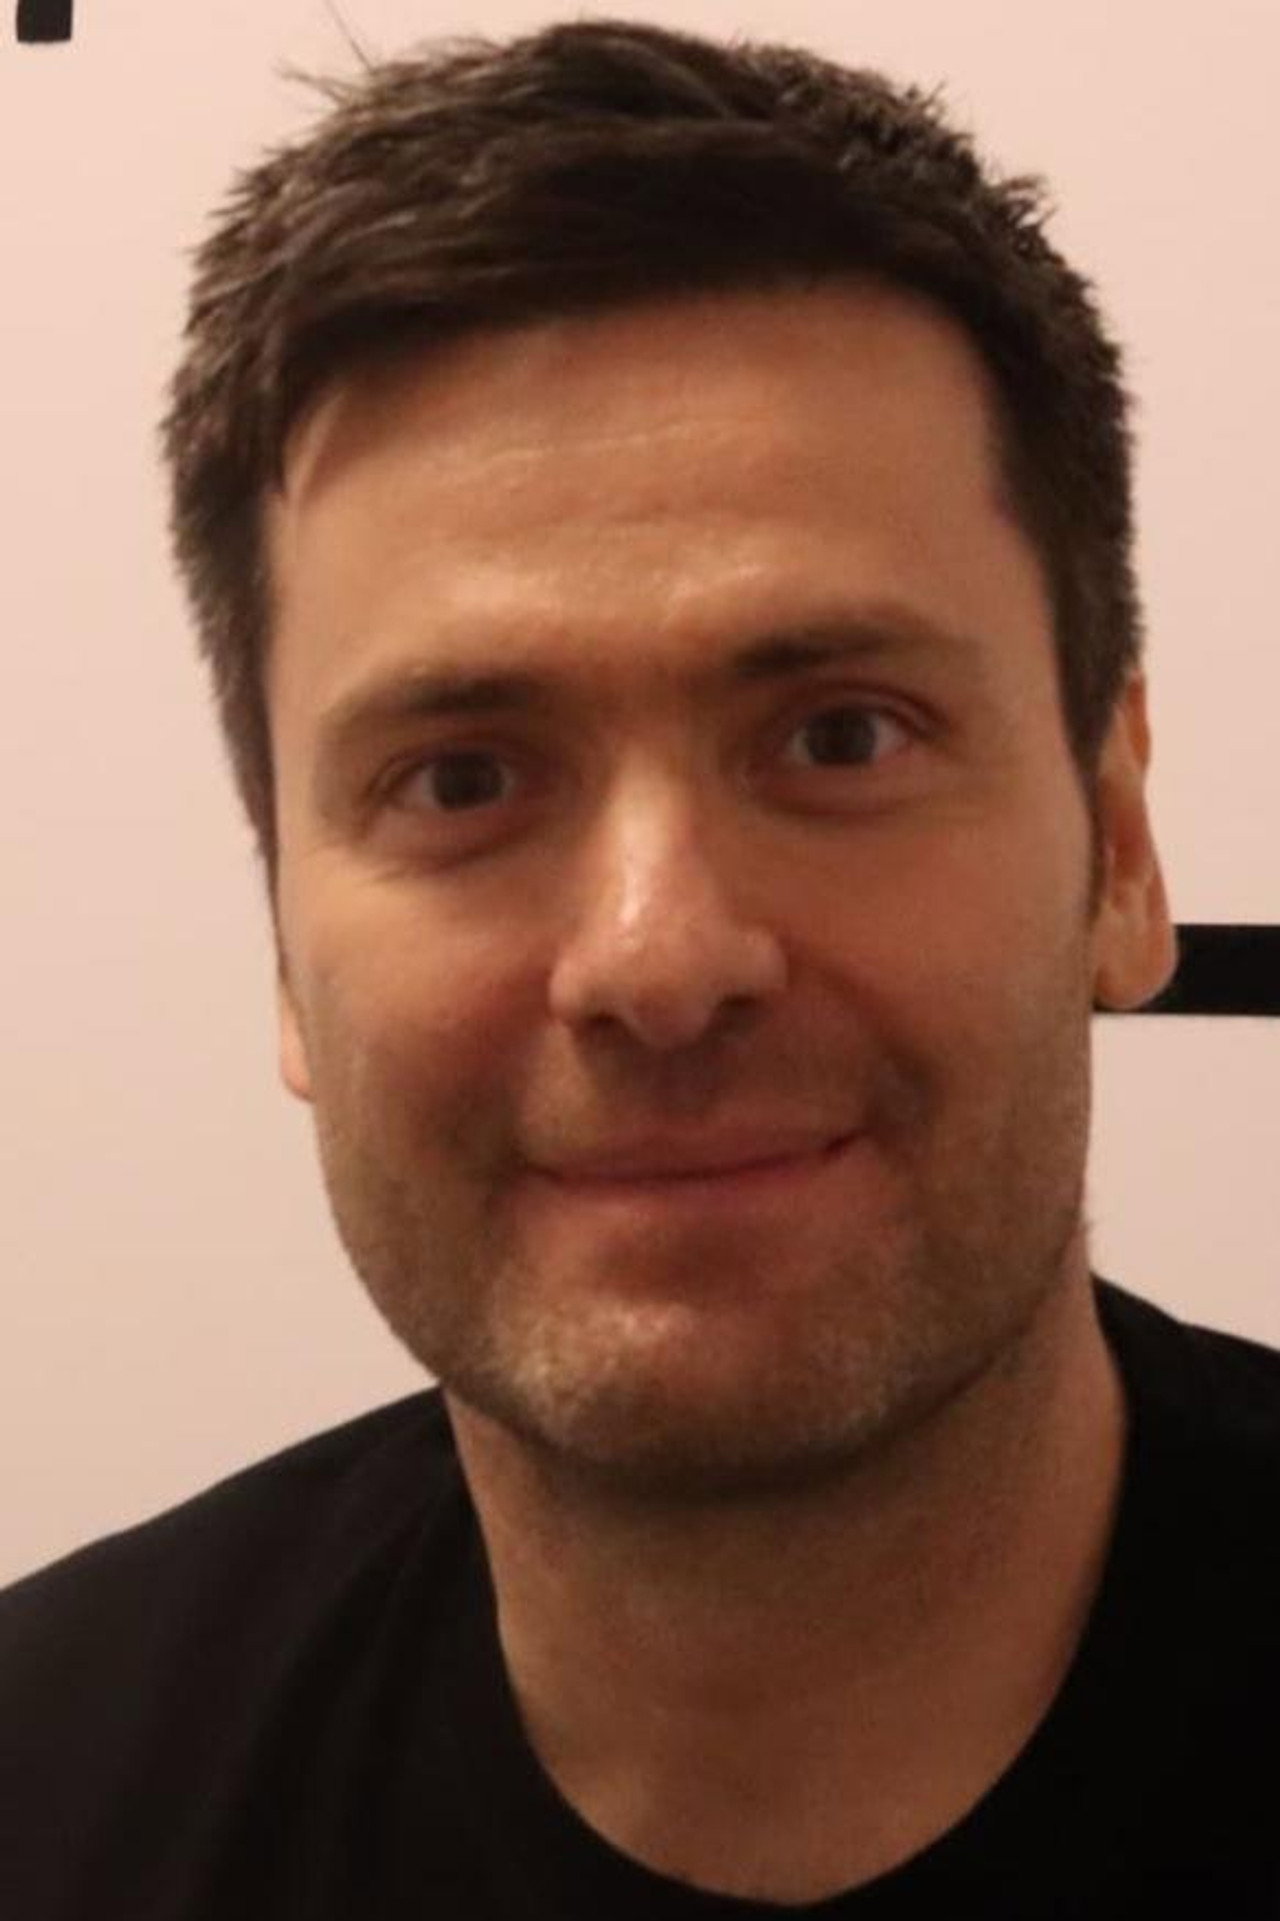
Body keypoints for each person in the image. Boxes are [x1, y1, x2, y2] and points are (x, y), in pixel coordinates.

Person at [2, 17, 1276, 1917]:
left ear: (1119, 846)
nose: (660, 956)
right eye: (463, 779)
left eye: (840, 736)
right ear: (281, 942)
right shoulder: (48, 1794)